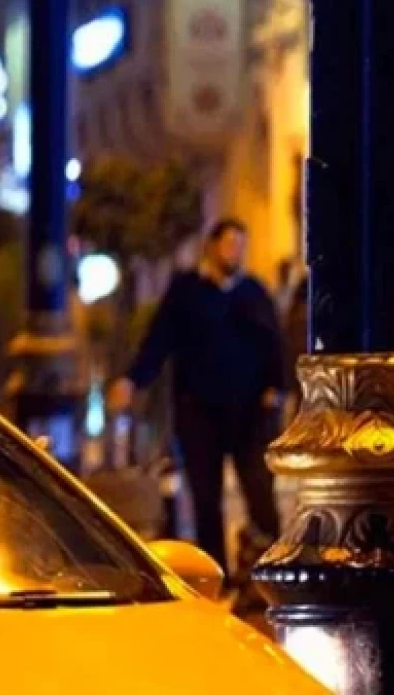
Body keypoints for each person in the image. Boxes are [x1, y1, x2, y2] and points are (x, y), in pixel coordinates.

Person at [106, 219, 284, 577]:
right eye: (229, 244)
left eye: (240, 245)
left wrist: (276, 387)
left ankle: (271, 568)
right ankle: (216, 574)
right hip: (199, 412)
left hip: (249, 414)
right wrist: (132, 380)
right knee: (206, 497)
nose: (235, 252)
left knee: (260, 491)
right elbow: (159, 340)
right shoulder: (186, 291)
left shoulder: (253, 293)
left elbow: (274, 344)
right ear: (213, 246)